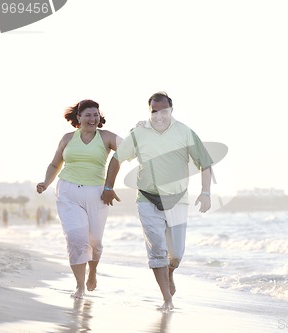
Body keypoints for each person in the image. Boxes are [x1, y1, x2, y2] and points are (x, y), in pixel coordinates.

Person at [101, 91, 213, 311]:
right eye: (154, 111)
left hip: (177, 200)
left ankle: (170, 272)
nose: (159, 115)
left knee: (177, 255)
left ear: (171, 110)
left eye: (164, 111)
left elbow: (205, 163)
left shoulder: (185, 132)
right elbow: (117, 159)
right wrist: (108, 187)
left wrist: (206, 192)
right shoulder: (139, 133)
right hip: (147, 198)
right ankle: (167, 299)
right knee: (157, 250)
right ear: (150, 111)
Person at [36, 99, 120, 299]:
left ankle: (93, 271)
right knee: (77, 240)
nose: (93, 118)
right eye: (88, 115)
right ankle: (80, 286)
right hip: (68, 191)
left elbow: (128, 151)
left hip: (97, 193)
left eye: (96, 114)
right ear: (79, 117)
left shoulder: (107, 137)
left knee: (95, 242)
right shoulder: (67, 138)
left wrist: (109, 186)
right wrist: (46, 182)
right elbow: (55, 163)